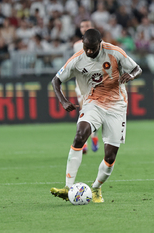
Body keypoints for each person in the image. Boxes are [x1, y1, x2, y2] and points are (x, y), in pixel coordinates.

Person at [50, 28, 142, 202]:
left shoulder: (114, 52)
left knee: (110, 156)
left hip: (117, 106)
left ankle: (96, 188)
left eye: (93, 48)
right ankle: (68, 187)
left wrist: (130, 75)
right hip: (94, 102)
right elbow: (56, 80)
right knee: (79, 135)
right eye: (87, 48)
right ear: (83, 44)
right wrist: (63, 101)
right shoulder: (77, 59)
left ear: (100, 44)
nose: (89, 52)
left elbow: (138, 69)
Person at [73, 19, 99, 154]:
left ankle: (93, 137)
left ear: (92, 27)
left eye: (87, 26)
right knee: (84, 110)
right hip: (81, 83)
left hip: (95, 82)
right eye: (82, 26)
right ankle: (85, 142)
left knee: (93, 111)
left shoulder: (101, 44)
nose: (84, 28)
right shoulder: (76, 45)